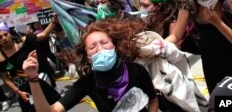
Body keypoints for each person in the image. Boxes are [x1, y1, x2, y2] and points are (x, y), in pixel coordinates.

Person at [22, 18, 159, 112]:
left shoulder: (136, 71)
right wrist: (33, 79)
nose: (100, 48)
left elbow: (153, 101)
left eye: (104, 43)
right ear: (88, 57)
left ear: (114, 46)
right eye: (92, 47)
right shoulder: (87, 83)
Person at [167, 0, 232, 93]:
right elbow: (176, 36)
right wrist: (157, 46)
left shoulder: (230, 1)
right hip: (211, 63)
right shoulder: (189, 4)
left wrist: (217, 22)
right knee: (220, 100)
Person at [0, 15, 61, 112]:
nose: (4, 38)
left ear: (10, 34)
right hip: (24, 90)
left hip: (39, 81)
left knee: (54, 108)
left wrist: (54, 21)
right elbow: (6, 79)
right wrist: (19, 92)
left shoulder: (23, 41)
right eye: (0, 37)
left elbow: (44, 34)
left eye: (6, 34)